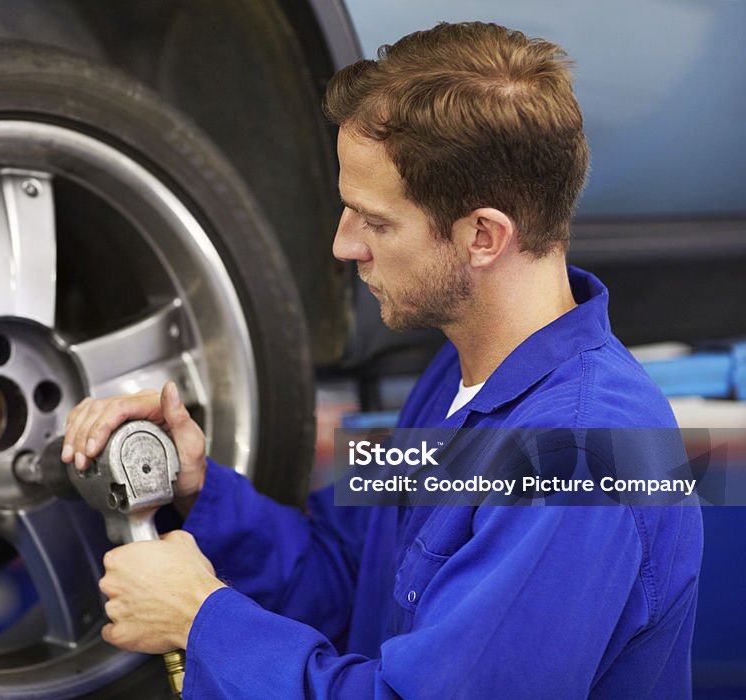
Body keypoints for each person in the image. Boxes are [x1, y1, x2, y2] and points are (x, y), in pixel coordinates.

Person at [61, 21, 703, 698]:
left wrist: (202, 622)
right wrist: (196, 490)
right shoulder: (453, 376)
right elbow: (343, 577)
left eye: (376, 220)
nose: (343, 245)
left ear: (483, 235)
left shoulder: (583, 458)